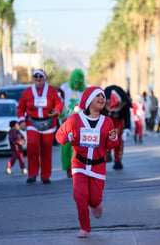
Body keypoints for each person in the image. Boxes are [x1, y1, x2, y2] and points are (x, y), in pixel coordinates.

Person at [56, 86, 119, 238]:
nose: (102, 99)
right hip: (79, 165)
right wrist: (67, 137)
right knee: (80, 196)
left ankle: (95, 204)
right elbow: (59, 136)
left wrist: (113, 138)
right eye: (98, 96)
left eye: (103, 97)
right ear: (89, 100)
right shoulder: (75, 119)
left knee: (94, 198)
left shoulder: (107, 121)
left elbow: (112, 145)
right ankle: (85, 228)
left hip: (98, 166)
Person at [17, 69, 63, 184]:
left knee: (46, 150)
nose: (38, 79)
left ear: (44, 78)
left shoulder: (51, 91)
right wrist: (22, 121)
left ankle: (45, 176)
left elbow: (59, 105)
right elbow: (21, 107)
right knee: (32, 147)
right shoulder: (27, 91)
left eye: (40, 77)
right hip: (32, 123)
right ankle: (32, 174)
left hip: (48, 123)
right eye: (35, 77)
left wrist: (54, 112)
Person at [58, 69, 86, 178]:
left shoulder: (85, 90)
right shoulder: (64, 88)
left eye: (79, 82)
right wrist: (61, 115)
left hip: (80, 122)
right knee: (66, 146)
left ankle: (77, 168)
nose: (76, 83)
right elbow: (59, 102)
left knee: (78, 147)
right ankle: (68, 168)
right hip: (66, 121)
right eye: (75, 81)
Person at [103, 85, 132, 170]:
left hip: (119, 122)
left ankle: (117, 160)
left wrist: (127, 128)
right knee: (105, 139)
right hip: (108, 121)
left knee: (119, 142)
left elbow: (127, 116)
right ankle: (105, 155)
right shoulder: (104, 101)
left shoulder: (124, 103)